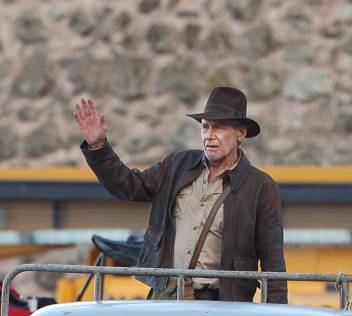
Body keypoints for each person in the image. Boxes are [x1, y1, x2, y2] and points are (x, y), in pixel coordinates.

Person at [74, 87, 287, 303]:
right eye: (205, 127)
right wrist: (98, 145)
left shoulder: (261, 187)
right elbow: (128, 185)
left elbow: (274, 264)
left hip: (222, 306)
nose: (209, 136)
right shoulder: (178, 165)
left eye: (219, 127)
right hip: (166, 298)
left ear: (241, 133)